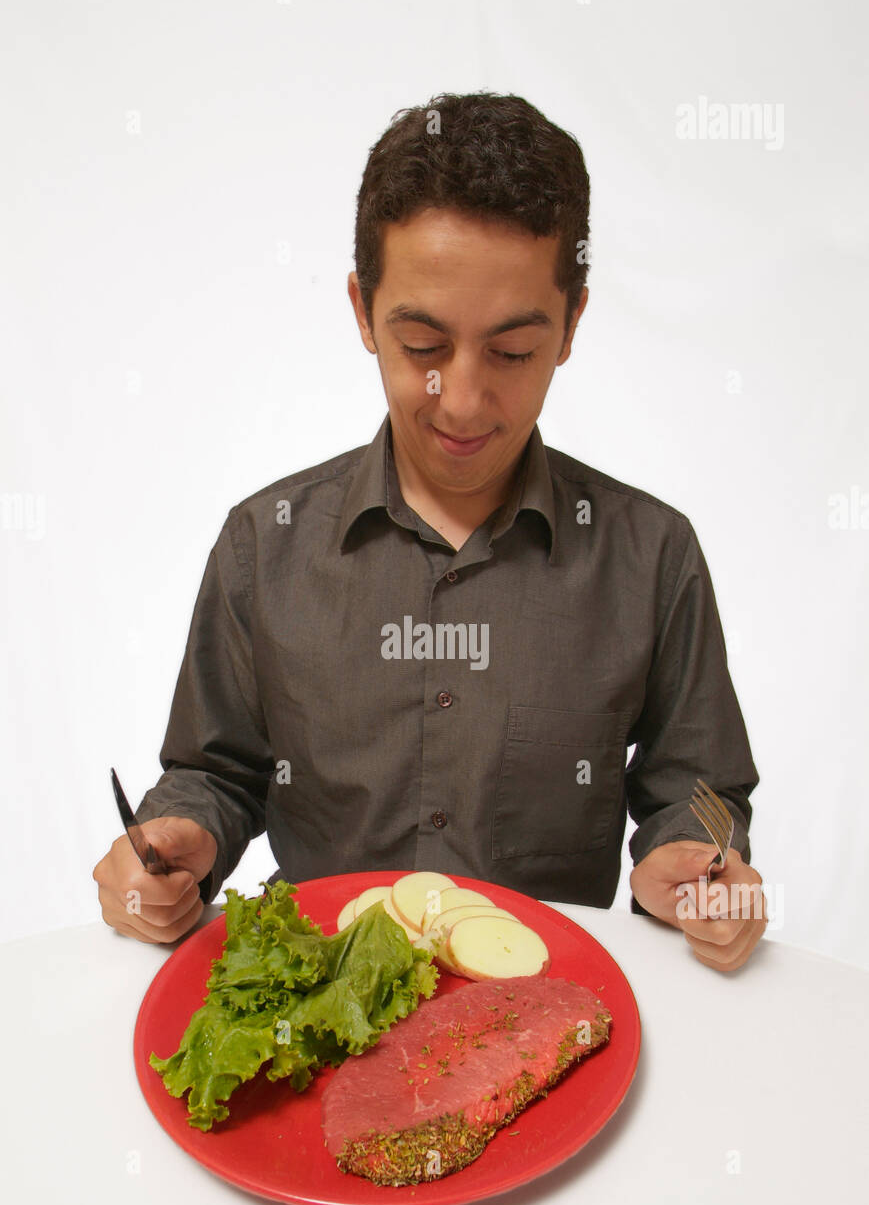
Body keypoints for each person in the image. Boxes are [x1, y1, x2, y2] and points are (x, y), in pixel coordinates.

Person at [93, 90, 767, 971]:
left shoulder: (651, 555)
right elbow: (216, 773)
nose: (465, 397)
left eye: (513, 351)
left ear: (571, 326)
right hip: (325, 1019)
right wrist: (174, 835)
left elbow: (700, 789)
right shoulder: (265, 545)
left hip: (548, 1019)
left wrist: (700, 858)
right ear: (361, 311)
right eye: (420, 343)